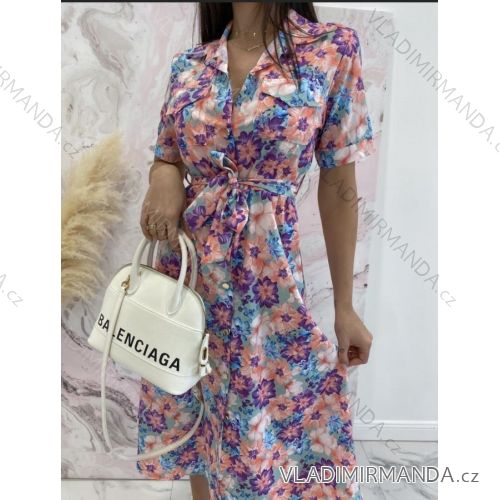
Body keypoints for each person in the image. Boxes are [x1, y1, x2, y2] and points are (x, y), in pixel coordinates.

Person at [137, 2, 374, 499]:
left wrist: (345, 306)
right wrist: (164, 178)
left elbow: (339, 184)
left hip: (269, 289)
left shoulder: (330, 49)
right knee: (199, 418)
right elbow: (168, 154)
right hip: (191, 280)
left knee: (274, 436)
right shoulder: (190, 65)